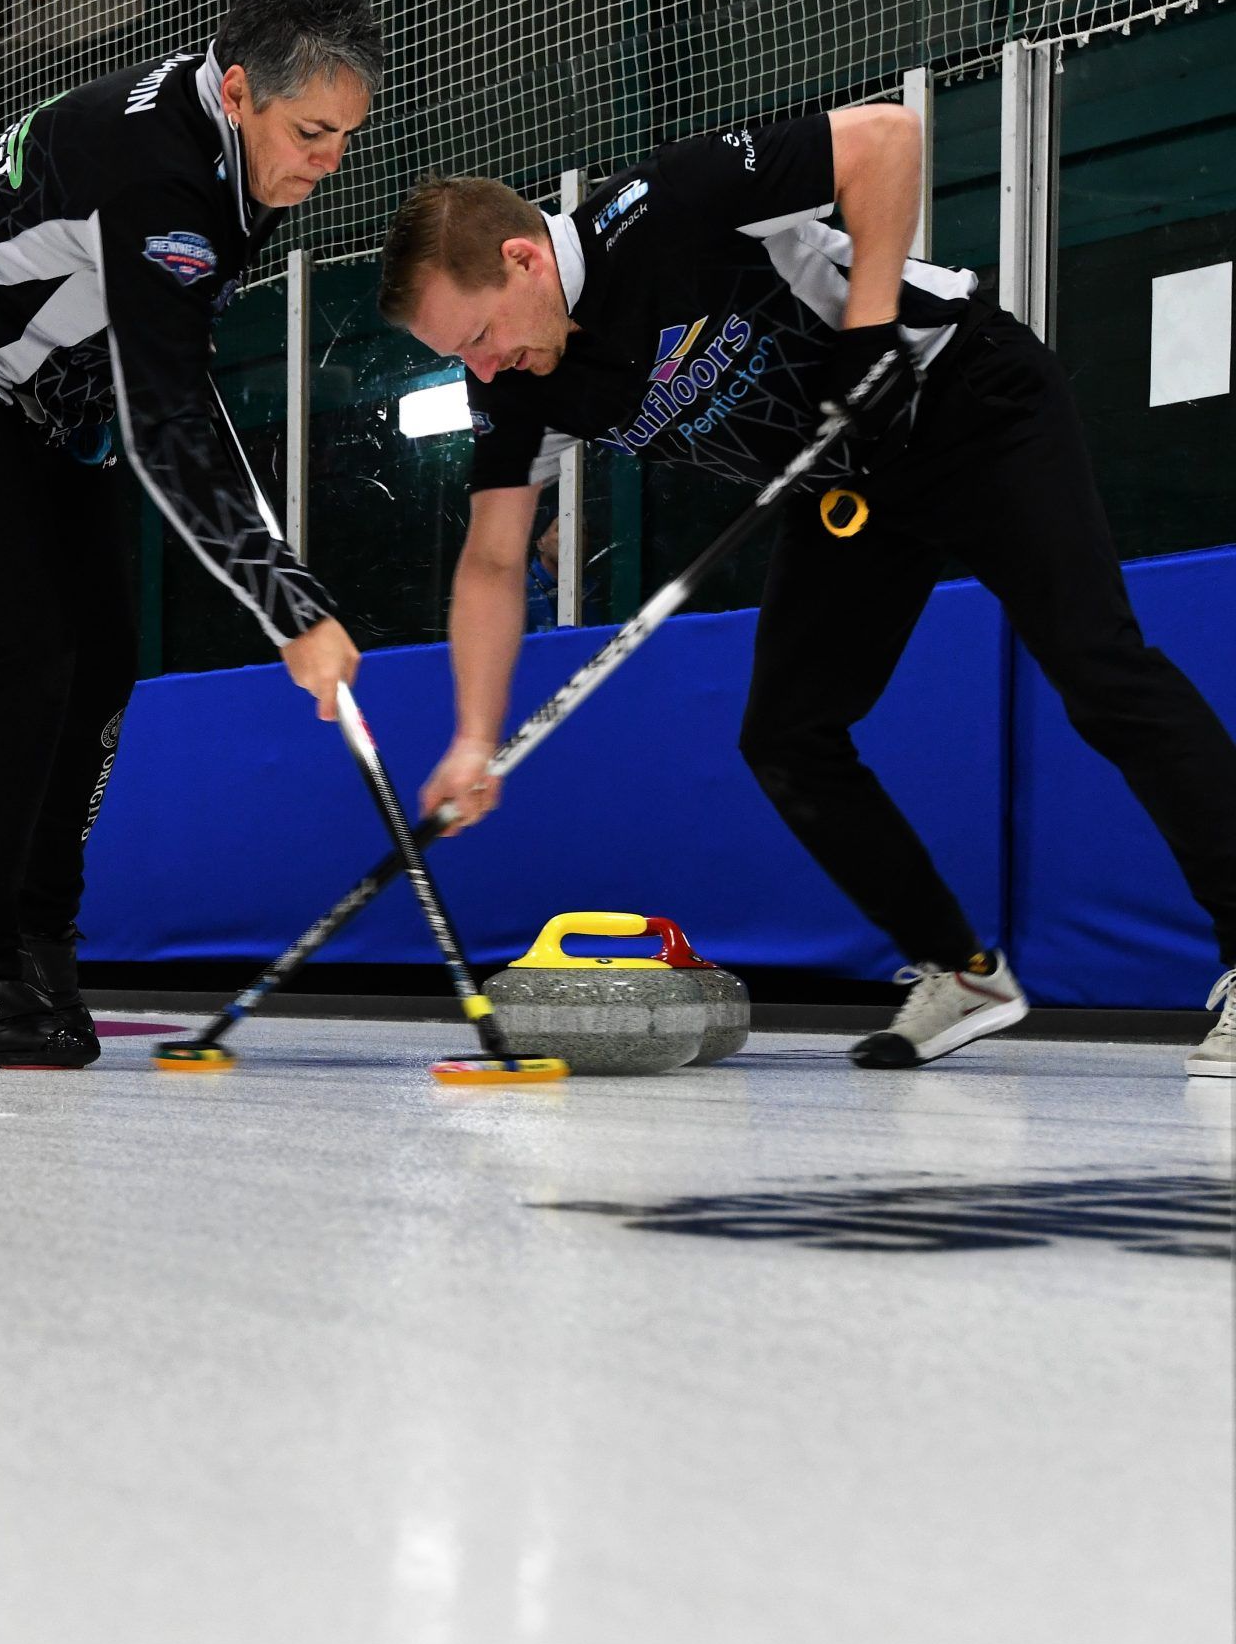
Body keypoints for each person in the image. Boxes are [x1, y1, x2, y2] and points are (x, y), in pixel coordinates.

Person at [376, 105, 1236, 1078]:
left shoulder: (676, 199)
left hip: (962, 398)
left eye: (481, 336)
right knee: (786, 736)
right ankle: (963, 971)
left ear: (527, 260)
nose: (482, 369)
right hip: (842, 486)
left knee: (1098, 668)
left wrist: (865, 334)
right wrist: (473, 738)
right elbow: (492, 561)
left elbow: (887, 140)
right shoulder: (518, 390)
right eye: (460, 357)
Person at [0, 0, 380, 1067]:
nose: (328, 163)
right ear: (238, 92)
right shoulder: (159, 175)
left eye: (343, 138)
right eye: (311, 133)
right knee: (32, 651)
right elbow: (172, 416)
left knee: (105, 656)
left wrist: (275, 572)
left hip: (51, 393)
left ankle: (40, 941)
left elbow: (163, 367)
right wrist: (287, 603)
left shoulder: (240, 160)